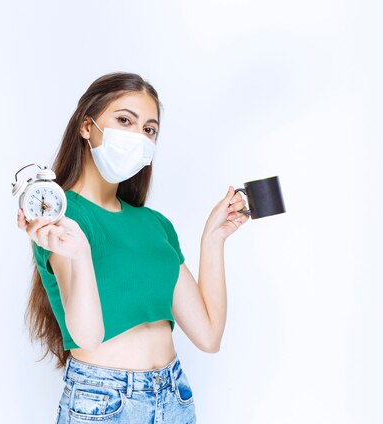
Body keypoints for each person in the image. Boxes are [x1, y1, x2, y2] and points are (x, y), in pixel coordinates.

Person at [16, 72, 248, 423]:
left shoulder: (154, 224)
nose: (138, 137)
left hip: (175, 397)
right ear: (86, 126)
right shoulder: (63, 215)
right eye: (124, 120)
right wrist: (79, 254)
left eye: (149, 129)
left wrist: (213, 239)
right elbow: (88, 337)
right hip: (104, 402)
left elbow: (209, 335)